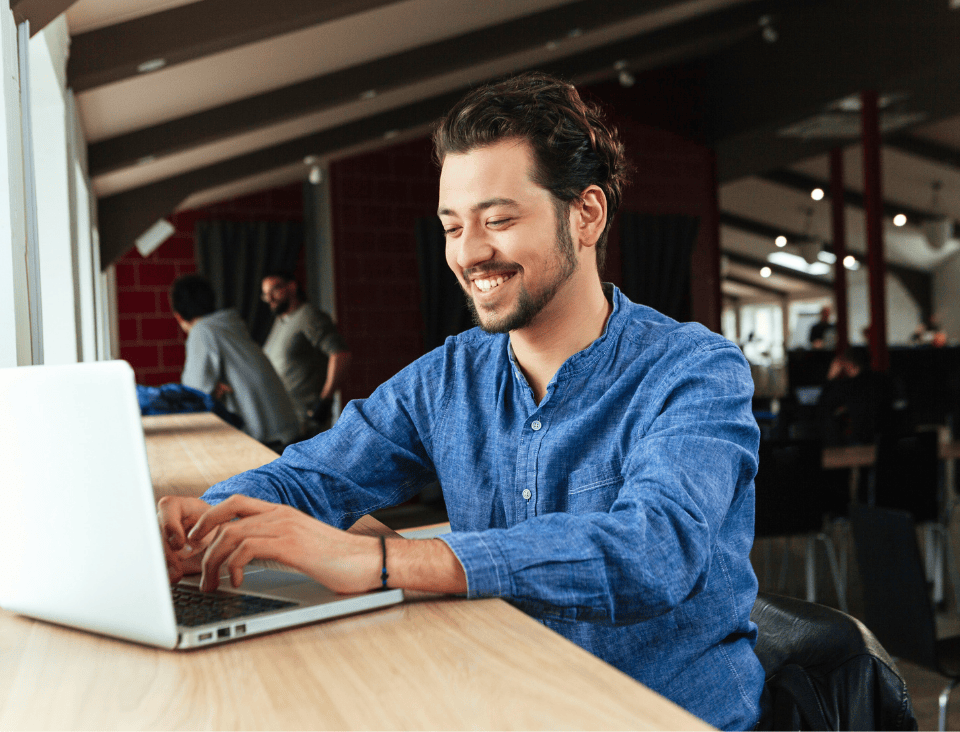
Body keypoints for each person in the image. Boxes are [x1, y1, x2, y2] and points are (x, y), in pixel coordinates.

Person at [159, 73, 763, 730]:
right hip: (509, 698)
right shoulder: (450, 376)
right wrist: (208, 519)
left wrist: (382, 561)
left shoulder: (694, 368)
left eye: (499, 220)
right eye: (453, 227)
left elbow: (651, 551)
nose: (471, 252)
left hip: (664, 714)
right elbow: (314, 476)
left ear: (586, 214)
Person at [170, 274, 300, 450]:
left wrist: (209, 393)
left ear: (178, 316)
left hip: (268, 443)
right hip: (286, 432)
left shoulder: (202, 330)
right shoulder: (229, 325)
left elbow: (193, 397)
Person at [260, 271, 351, 433]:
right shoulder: (280, 320)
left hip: (306, 421)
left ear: (292, 287)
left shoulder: (309, 316)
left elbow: (340, 354)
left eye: (274, 290)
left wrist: (325, 400)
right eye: (266, 294)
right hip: (282, 418)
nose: (270, 299)